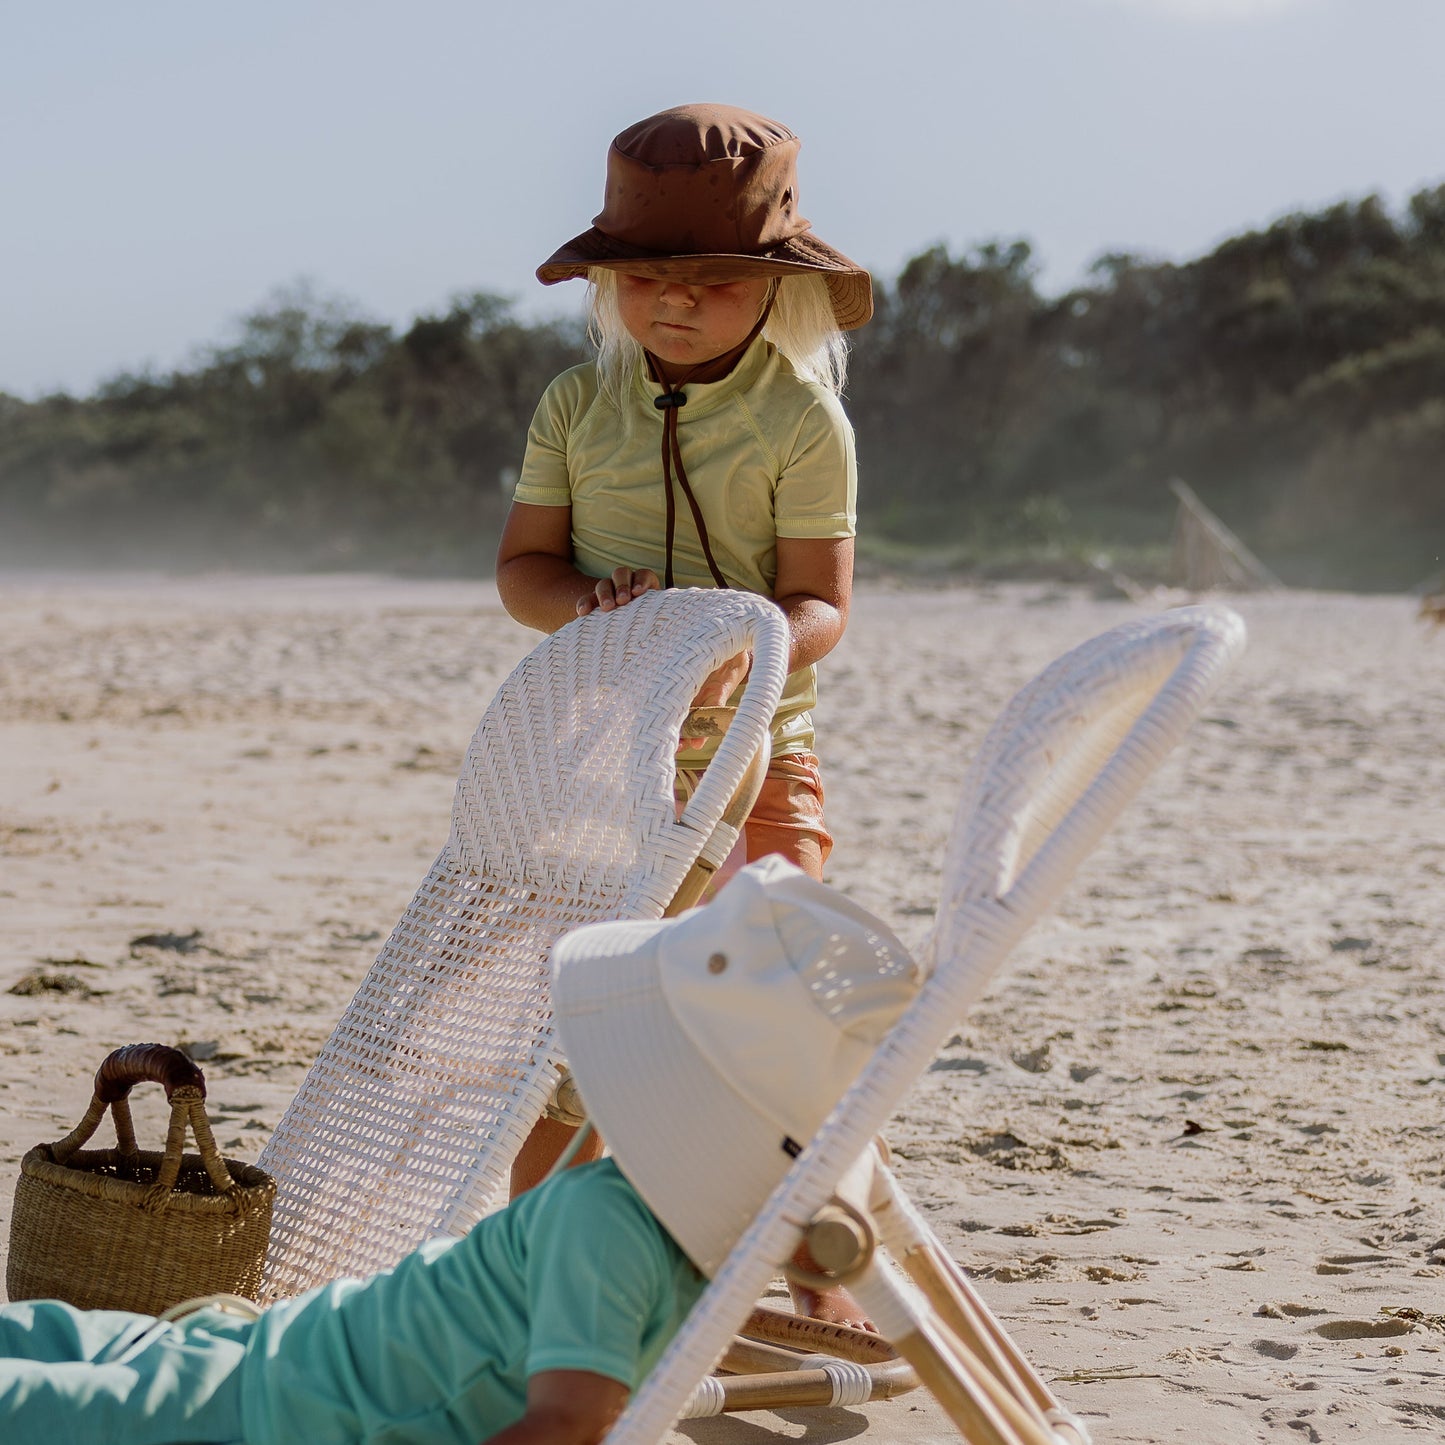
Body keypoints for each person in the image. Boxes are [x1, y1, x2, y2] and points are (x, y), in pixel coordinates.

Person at [0, 857, 922, 1445]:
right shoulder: (672, 1228)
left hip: (268, 1413)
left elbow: (567, 1424)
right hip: (263, 1352)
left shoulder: (612, 1228)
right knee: (44, 1337)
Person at [493, 107, 875, 1312]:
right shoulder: (574, 403)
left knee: (788, 1003)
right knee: (581, 1025)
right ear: (609, 282)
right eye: (645, 274)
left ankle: (825, 1274)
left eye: (713, 279)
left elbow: (821, 603)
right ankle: (540, 1267)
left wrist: (744, 651)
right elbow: (522, 573)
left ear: (775, 290)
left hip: (764, 752)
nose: (672, 300)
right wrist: (589, 608)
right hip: (600, 767)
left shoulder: (802, 417)